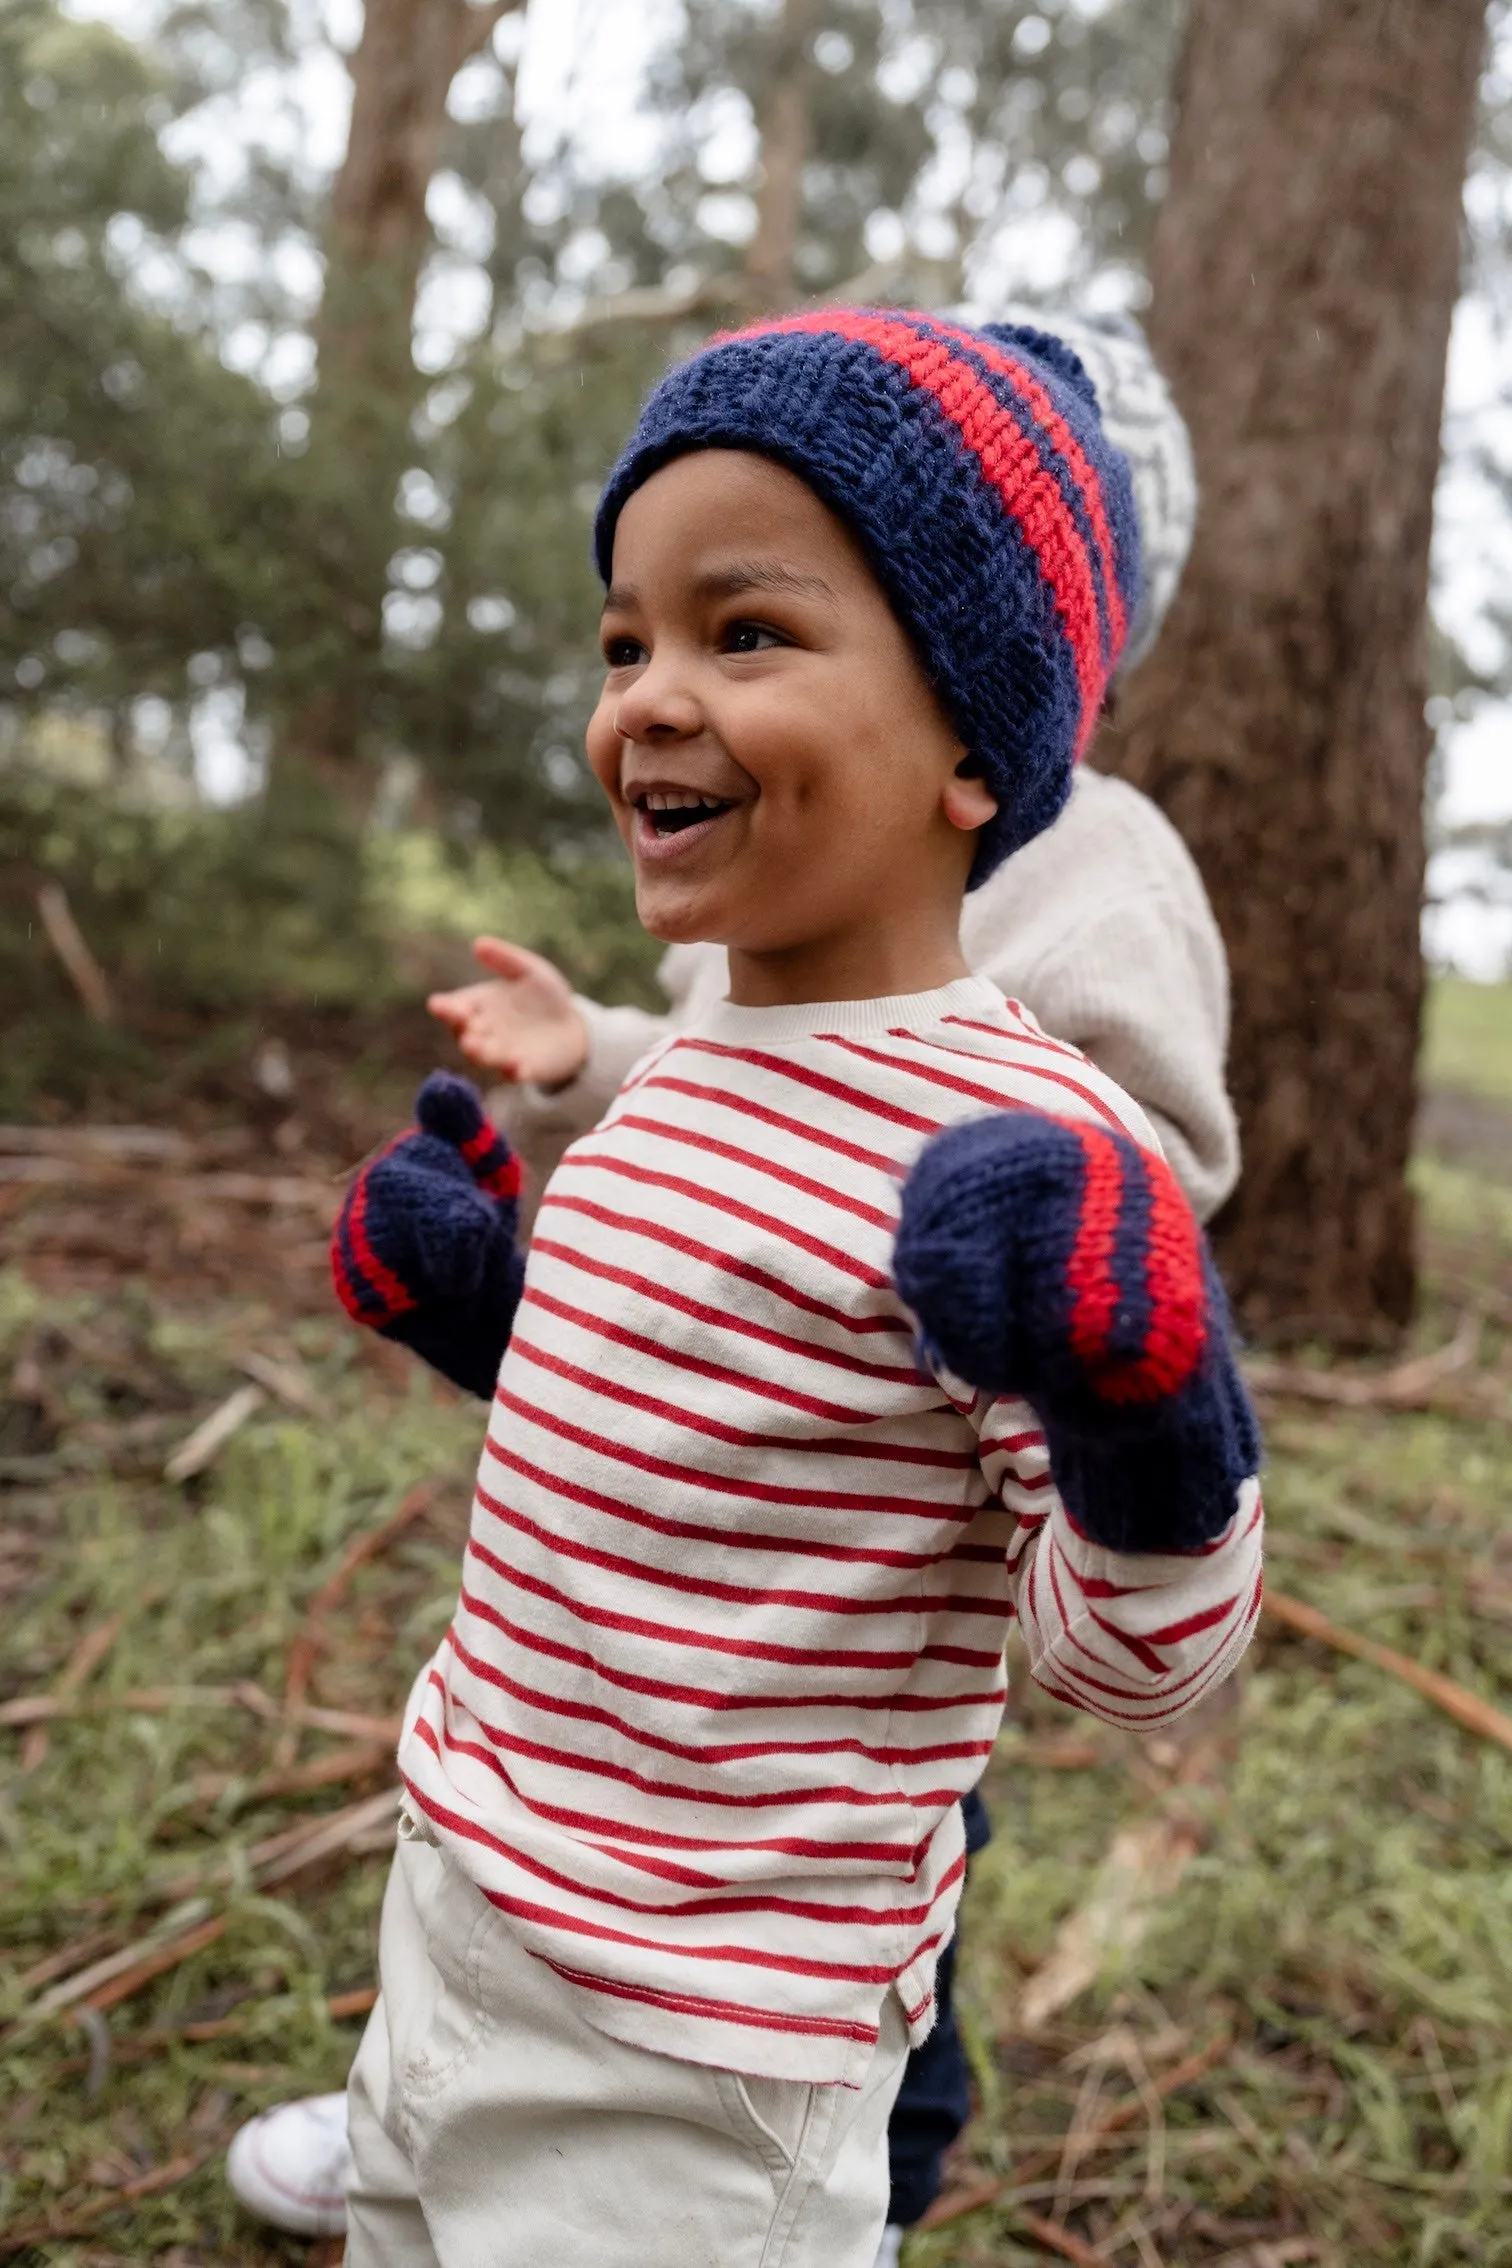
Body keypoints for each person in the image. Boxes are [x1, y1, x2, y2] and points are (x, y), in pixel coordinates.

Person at [226, 312, 1244, 2263]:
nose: (647, 698)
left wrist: (1129, 1391)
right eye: (627, 643)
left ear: (974, 729)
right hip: (467, 1915)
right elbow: (731, 1403)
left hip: (697, 2050)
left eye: (742, 633)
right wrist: (489, 1311)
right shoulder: (696, 1068)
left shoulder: (1013, 1138)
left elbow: (1131, 1658)